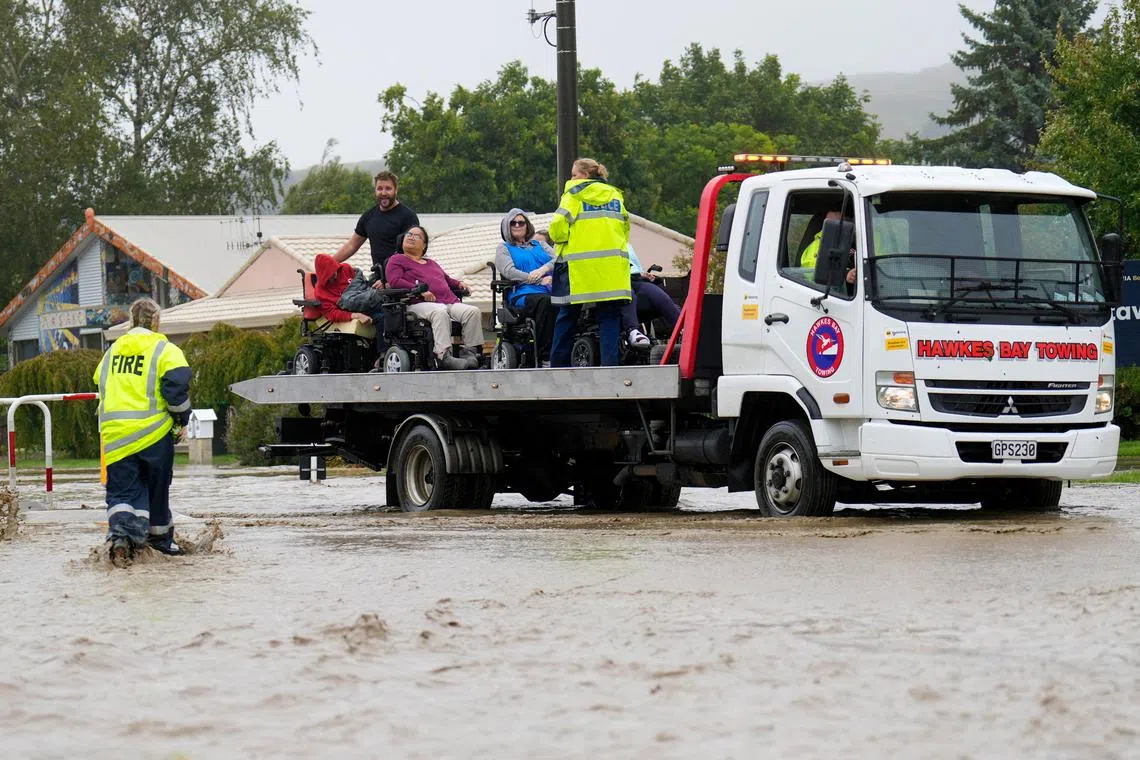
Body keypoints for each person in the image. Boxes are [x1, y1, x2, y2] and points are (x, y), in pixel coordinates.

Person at [94, 298, 192, 568]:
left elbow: (99, 384)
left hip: (115, 438)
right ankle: (160, 543)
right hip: (153, 435)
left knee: (122, 494)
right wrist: (181, 420)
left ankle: (120, 538)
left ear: (131, 319)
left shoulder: (111, 352)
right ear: (157, 321)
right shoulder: (165, 349)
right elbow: (177, 389)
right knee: (157, 490)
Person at [548, 158, 632, 367]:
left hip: (578, 270)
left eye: (574, 174)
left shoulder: (573, 195)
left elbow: (557, 230)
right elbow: (624, 230)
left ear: (584, 176)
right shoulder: (615, 195)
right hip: (611, 270)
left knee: (567, 317)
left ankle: (558, 366)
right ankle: (610, 367)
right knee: (609, 318)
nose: (571, 178)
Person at [385, 226, 483, 370]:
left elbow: (447, 279)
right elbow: (394, 281)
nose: (411, 237)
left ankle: (470, 353)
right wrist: (417, 290)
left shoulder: (431, 263)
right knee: (439, 312)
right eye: (409, 234)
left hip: (447, 301)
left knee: (472, 311)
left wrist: (460, 284)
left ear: (424, 245)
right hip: (416, 303)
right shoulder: (397, 259)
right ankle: (443, 356)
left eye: (417, 236)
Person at [333, 171, 420, 283]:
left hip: (404, 279)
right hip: (378, 278)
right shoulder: (369, 216)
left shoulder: (408, 216)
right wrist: (330, 263)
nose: (383, 193)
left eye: (388, 188)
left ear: (396, 190)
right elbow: (351, 245)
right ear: (375, 190)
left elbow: (413, 254)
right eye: (379, 188)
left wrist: (390, 281)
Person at [494, 209, 555, 365]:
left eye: (521, 222)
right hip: (522, 294)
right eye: (513, 223)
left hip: (550, 289)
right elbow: (509, 271)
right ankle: (545, 357)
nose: (517, 225)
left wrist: (544, 270)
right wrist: (535, 280)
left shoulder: (540, 244)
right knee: (546, 302)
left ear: (527, 225)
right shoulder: (504, 248)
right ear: (507, 227)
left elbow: (560, 258)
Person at [620, 243, 681, 347]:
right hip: (617, 281)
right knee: (629, 295)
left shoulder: (626, 243)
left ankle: (683, 327)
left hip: (635, 278)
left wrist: (643, 274)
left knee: (659, 295)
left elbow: (633, 267)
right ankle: (633, 331)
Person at [312, 253, 382, 325]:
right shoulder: (320, 292)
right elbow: (332, 313)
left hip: (369, 300)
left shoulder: (345, 268)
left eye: (334, 272)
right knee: (382, 318)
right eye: (331, 276)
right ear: (323, 276)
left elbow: (361, 285)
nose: (335, 277)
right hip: (356, 311)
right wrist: (356, 315)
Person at [799, 210, 857, 287]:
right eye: (831, 224)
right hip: (831, 291)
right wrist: (845, 274)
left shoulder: (857, 240)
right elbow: (814, 269)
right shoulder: (816, 245)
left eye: (846, 223)